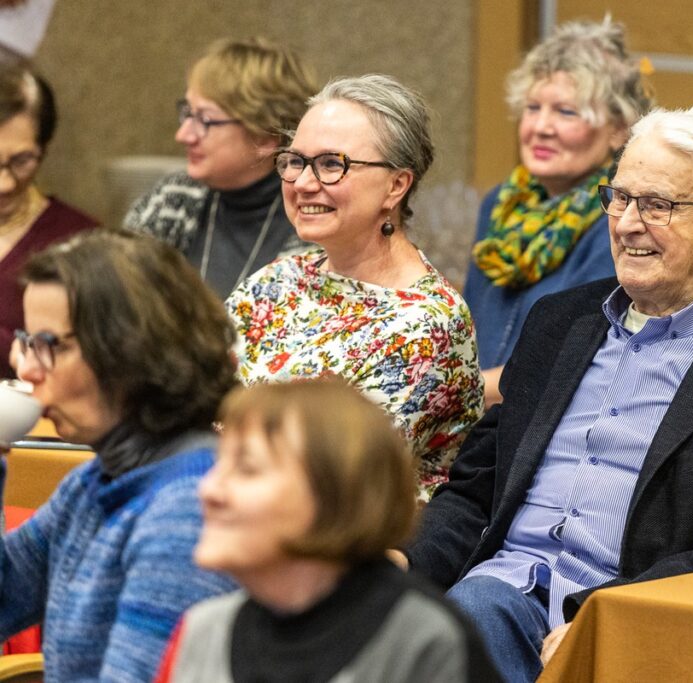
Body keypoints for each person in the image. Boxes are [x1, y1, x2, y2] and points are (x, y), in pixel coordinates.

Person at [403, 102, 693, 682]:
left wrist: (606, 617)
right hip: (499, 593)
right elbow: (474, 492)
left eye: (658, 205)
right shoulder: (558, 323)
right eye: (619, 197)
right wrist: (402, 565)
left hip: (639, 619)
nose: (627, 223)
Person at [465, 18, 693, 407]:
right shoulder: (502, 206)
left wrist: (452, 391)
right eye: (533, 108)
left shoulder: (626, 223)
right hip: (479, 419)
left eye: (566, 112)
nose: (541, 127)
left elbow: (573, 357)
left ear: (620, 128)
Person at [226, 74, 482, 500]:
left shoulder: (427, 324)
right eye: (296, 161)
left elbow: (331, 478)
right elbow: (187, 395)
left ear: (396, 185)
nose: (304, 183)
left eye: (331, 164)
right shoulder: (277, 280)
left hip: (333, 544)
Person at [1, 230, 237, 681]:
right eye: (28, 343)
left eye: (50, 346)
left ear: (131, 349)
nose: (26, 369)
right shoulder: (99, 480)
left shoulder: (188, 510)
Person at [154, 379, 500, 683]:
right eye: (219, 465)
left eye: (246, 469)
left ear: (331, 494)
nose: (208, 490)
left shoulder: (423, 641)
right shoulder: (202, 631)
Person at [124, 37, 317, 299]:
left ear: (265, 133)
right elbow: (117, 301)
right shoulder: (173, 197)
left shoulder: (314, 220)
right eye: (187, 112)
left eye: (204, 119)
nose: (183, 135)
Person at [0, 64, 95, 377]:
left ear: (44, 148)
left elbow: (82, 361)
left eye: (22, 161)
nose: (6, 184)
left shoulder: (77, 241)